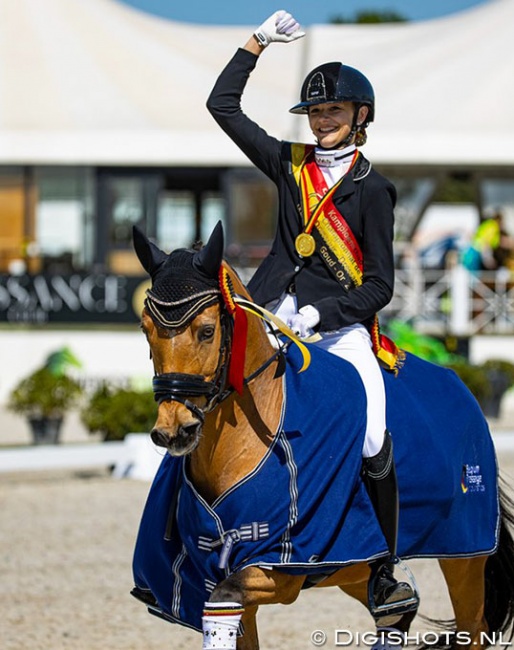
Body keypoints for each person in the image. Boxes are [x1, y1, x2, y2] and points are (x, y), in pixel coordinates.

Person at [207, 10, 417, 622]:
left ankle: (383, 572)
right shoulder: (288, 162)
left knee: (374, 430)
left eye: (333, 113)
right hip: (269, 312)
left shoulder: (373, 190)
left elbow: (379, 283)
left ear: (360, 117)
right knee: (210, 392)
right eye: (316, 113)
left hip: (341, 328)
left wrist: (321, 316)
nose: (323, 122)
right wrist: (255, 44)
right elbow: (223, 107)